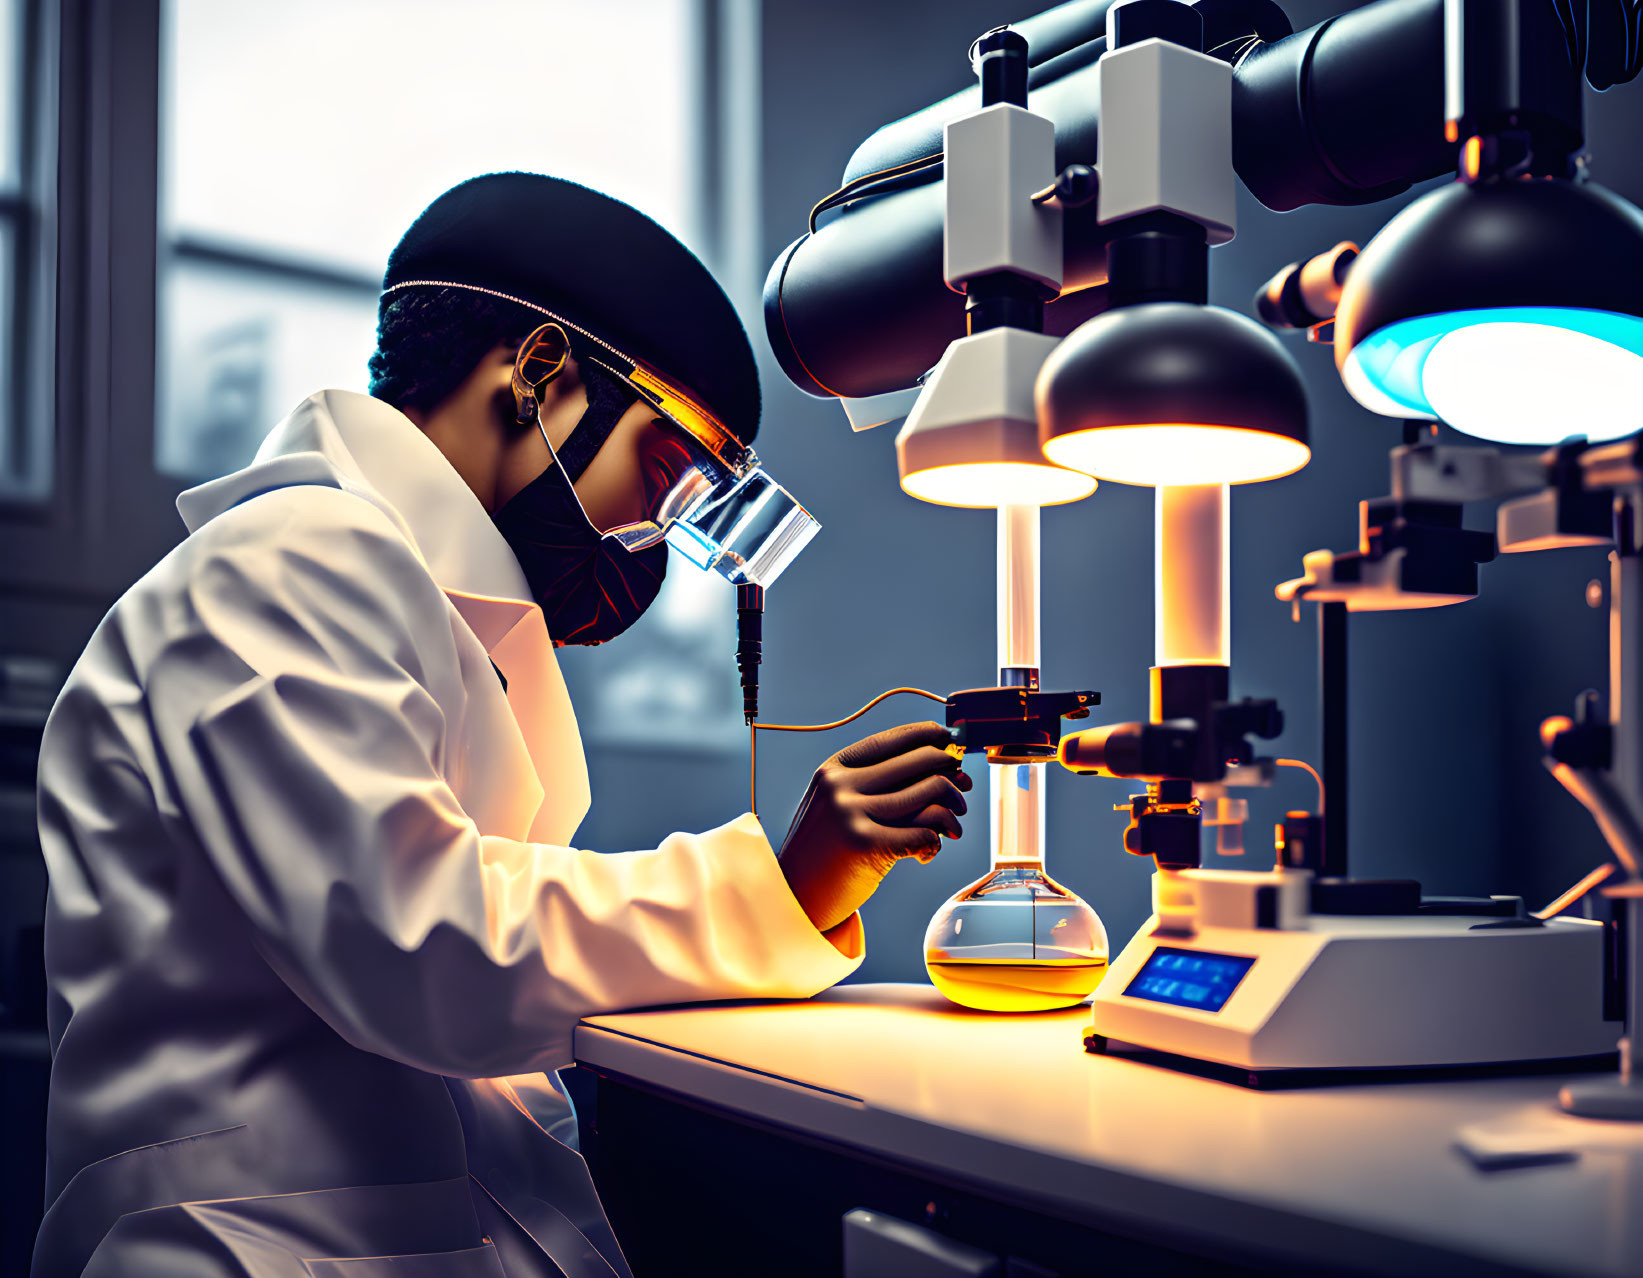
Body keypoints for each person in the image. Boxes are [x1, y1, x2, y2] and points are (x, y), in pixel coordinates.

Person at [32, 173, 970, 1278]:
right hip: (245, 1246)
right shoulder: (284, 564)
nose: (646, 538)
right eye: (665, 475)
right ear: (536, 374)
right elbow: (421, 942)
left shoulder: (419, 607)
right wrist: (781, 879)